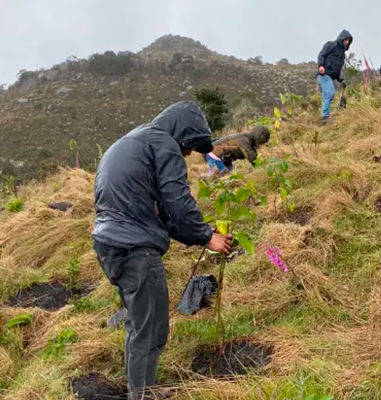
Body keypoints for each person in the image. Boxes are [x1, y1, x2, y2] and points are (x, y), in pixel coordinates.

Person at [92, 101, 232, 400]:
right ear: (182, 135)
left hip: (108, 245)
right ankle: (142, 394)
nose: (186, 155)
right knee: (151, 327)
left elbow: (166, 217)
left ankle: (140, 388)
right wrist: (208, 237)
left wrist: (200, 234)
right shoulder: (163, 144)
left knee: (138, 320)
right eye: (189, 148)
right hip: (135, 250)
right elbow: (177, 202)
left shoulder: (131, 142)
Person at [316, 29, 354, 125]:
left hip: (330, 76)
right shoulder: (331, 45)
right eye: (345, 40)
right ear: (341, 39)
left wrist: (341, 79)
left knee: (326, 98)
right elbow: (321, 54)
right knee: (330, 93)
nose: (347, 42)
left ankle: (323, 120)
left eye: (348, 41)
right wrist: (320, 65)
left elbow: (338, 69)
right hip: (323, 74)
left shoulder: (342, 55)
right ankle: (325, 117)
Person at [204, 125, 271, 175]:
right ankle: (206, 179)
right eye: (262, 141)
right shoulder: (244, 140)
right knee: (221, 174)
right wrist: (260, 169)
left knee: (226, 174)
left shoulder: (249, 140)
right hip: (214, 154)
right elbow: (250, 156)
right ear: (259, 138)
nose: (261, 144)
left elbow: (253, 154)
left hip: (222, 156)